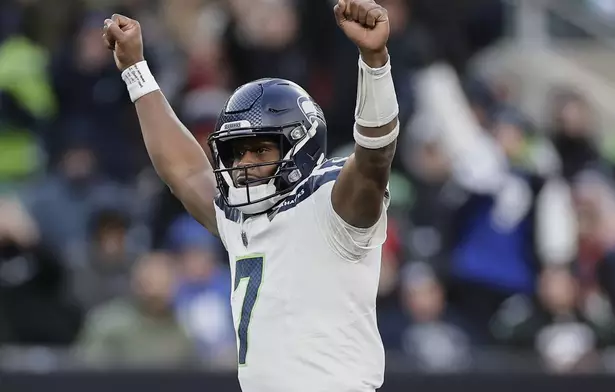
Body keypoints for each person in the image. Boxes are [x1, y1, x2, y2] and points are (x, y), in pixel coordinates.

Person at [102, 0, 399, 391]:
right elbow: (184, 170)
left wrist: (374, 61)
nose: (244, 164)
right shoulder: (239, 212)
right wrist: (136, 72)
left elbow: (375, 157)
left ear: (300, 145)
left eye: (260, 150)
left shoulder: (331, 204)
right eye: (236, 152)